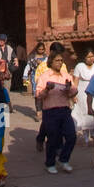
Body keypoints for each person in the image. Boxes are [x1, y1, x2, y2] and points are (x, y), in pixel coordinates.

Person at [38, 45, 78, 173]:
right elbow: (39, 95)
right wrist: (47, 89)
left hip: (65, 110)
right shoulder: (45, 76)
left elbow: (73, 93)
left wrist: (68, 89)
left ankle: (64, 159)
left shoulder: (65, 76)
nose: (60, 63)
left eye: (61, 60)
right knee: (53, 138)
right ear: (51, 62)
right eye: (57, 60)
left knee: (71, 135)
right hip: (50, 110)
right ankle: (50, 163)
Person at [71, 49, 94, 146]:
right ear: (84, 57)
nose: (90, 59)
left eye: (92, 56)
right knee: (84, 114)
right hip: (82, 93)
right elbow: (75, 82)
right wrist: (74, 95)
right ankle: (85, 137)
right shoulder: (79, 66)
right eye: (88, 57)